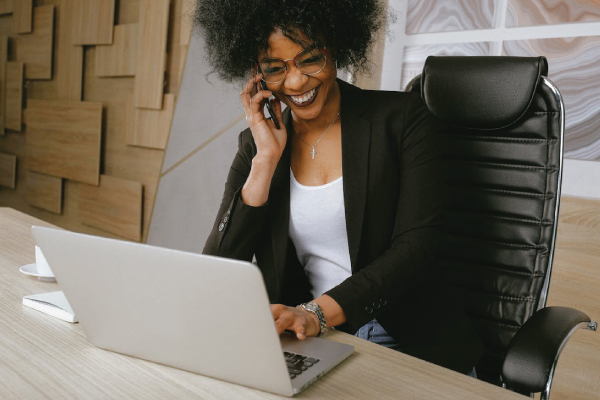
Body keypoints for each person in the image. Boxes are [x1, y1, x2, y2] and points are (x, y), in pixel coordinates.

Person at [197, 0, 483, 375]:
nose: (296, 82)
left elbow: (417, 247)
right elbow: (219, 265)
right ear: (257, 73)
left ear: (336, 46)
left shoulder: (403, 121)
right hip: (310, 342)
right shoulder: (257, 145)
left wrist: (316, 313)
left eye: (310, 59)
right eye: (275, 68)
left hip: (406, 336)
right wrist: (265, 161)